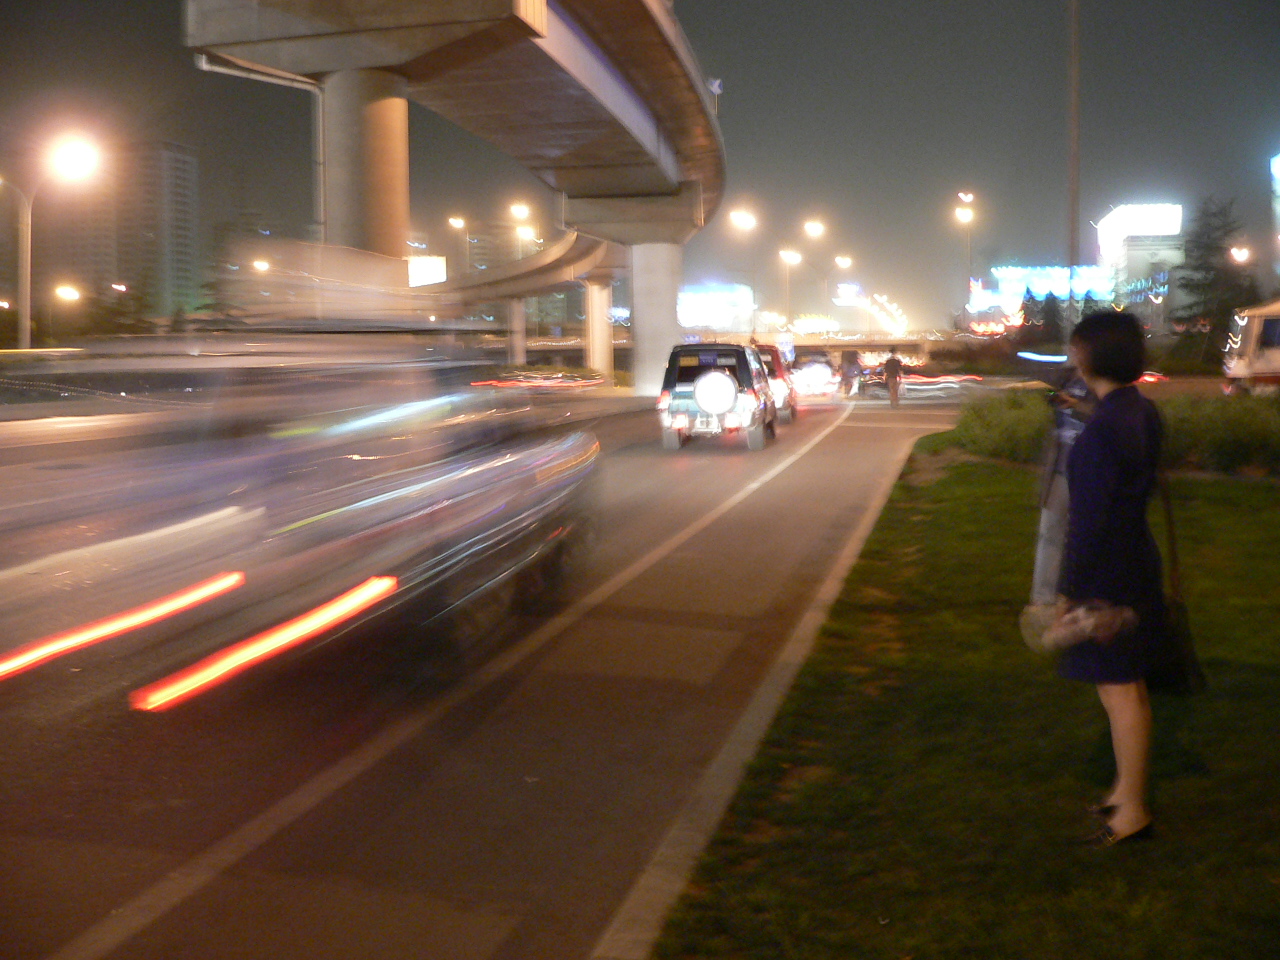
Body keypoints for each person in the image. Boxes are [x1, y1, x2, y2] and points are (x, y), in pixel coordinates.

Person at [1055, 311, 1168, 846]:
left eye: (1077, 348)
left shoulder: (1102, 432)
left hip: (1108, 575)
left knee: (1119, 691)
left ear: (1091, 355)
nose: (1072, 356)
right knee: (1129, 686)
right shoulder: (1139, 411)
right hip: (1136, 561)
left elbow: (1089, 522)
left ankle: (1133, 811)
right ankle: (1124, 792)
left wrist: (1068, 591)